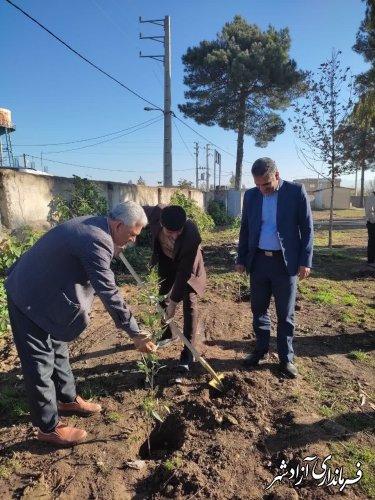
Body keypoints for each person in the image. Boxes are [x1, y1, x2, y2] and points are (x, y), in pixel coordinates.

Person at [5, 201, 156, 447]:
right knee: (39, 363)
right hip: (28, 297)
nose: (132, 241)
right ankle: (48, 427)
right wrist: (135, 332)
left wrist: (115, 248)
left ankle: (67, 399)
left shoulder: (99, 227)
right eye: (131, 235)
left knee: (58, 348)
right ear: (118, 225)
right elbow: (108, 291)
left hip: (47, 294)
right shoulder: (96, 239)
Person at [235, 158, 313, 379]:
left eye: (266, 185)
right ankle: (260, 351)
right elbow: (246, 228)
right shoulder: (251, 196)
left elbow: (307, 228)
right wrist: (241, 258)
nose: (262, 190)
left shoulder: (295, 192)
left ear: (277, 176)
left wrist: (305, 260)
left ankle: (286, 359)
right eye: (258, 185)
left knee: (285, 314)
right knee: (258, 310)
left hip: (284, 264)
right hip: (258, 262)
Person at [142, 204, 206, 372]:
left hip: (187, 266)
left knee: (189, 303)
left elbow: (184, 273)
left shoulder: (191, 236)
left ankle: (188, 352)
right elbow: (132, 212)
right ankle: (168, 333)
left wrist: (174, 303)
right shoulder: (154, 214)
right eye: (170, 232)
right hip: (166, 260)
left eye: (179, 231)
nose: (176, 235)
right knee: (161, 296)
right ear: (161, 224)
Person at [365, 190, 375, 268]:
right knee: (372, 242)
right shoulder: (372, 198)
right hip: (372, 223)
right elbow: (369, 211)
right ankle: (371, 261)